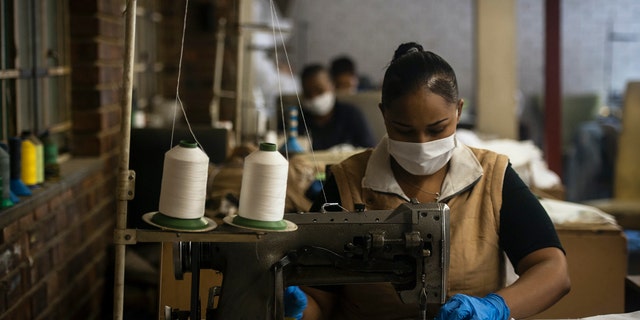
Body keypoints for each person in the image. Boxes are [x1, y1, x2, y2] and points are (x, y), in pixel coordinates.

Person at [289, 42, 571, 319]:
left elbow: (552, 269)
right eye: (404, 130)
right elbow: (318, 299)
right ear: (384, 115)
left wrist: (496, 307)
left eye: (437, 129)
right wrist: (295, 308)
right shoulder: (348, 182)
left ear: (458, 111)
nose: (422, 144)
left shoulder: (492, 177)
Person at [298, 63, 376, 151]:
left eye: (319, 91)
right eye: (308, 94)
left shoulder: (352, 114)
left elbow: (370, 150)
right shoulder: (295, 119)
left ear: (332, 86)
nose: (314, 97)